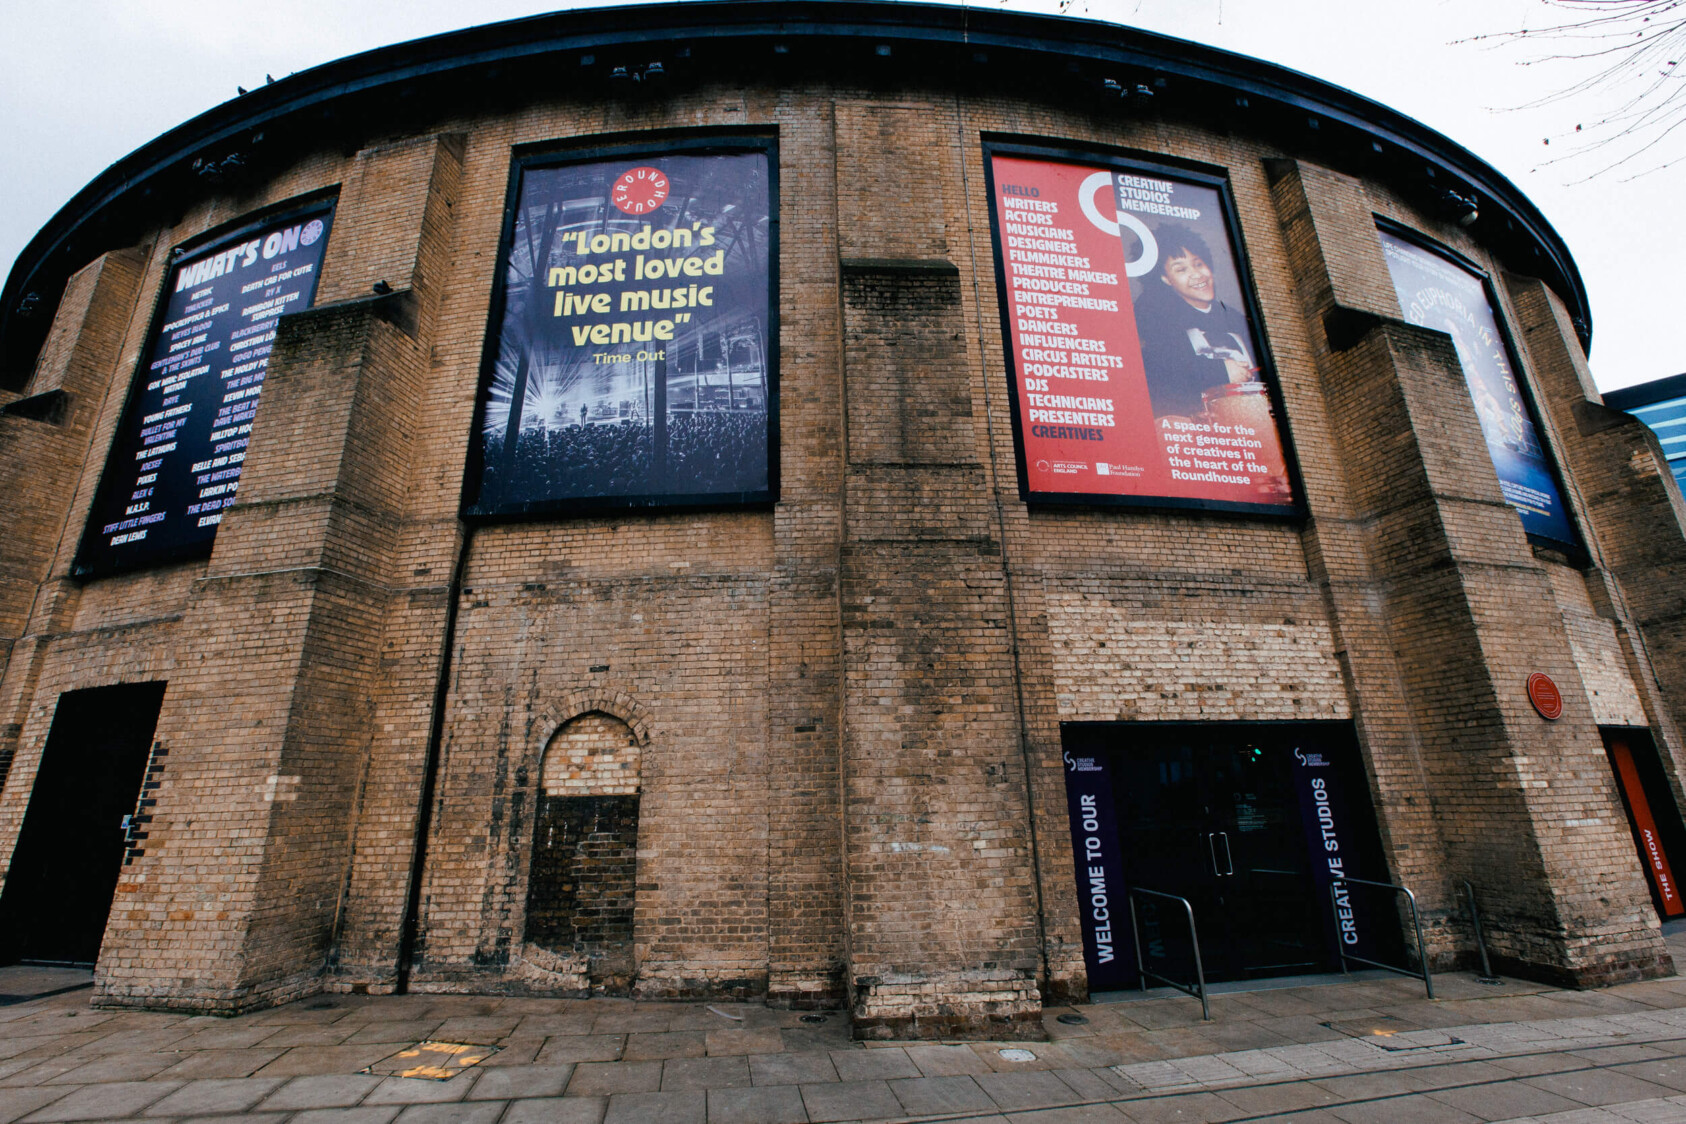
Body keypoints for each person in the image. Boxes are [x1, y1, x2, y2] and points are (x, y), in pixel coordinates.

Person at [1131, 225, 1257, 419]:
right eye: (1181, 269)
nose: (1197, 274)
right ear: (1165, 278)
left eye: (1198, 264)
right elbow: (1158, 366)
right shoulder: (1153, 314)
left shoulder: (1235, 320)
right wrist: (1221, 370)